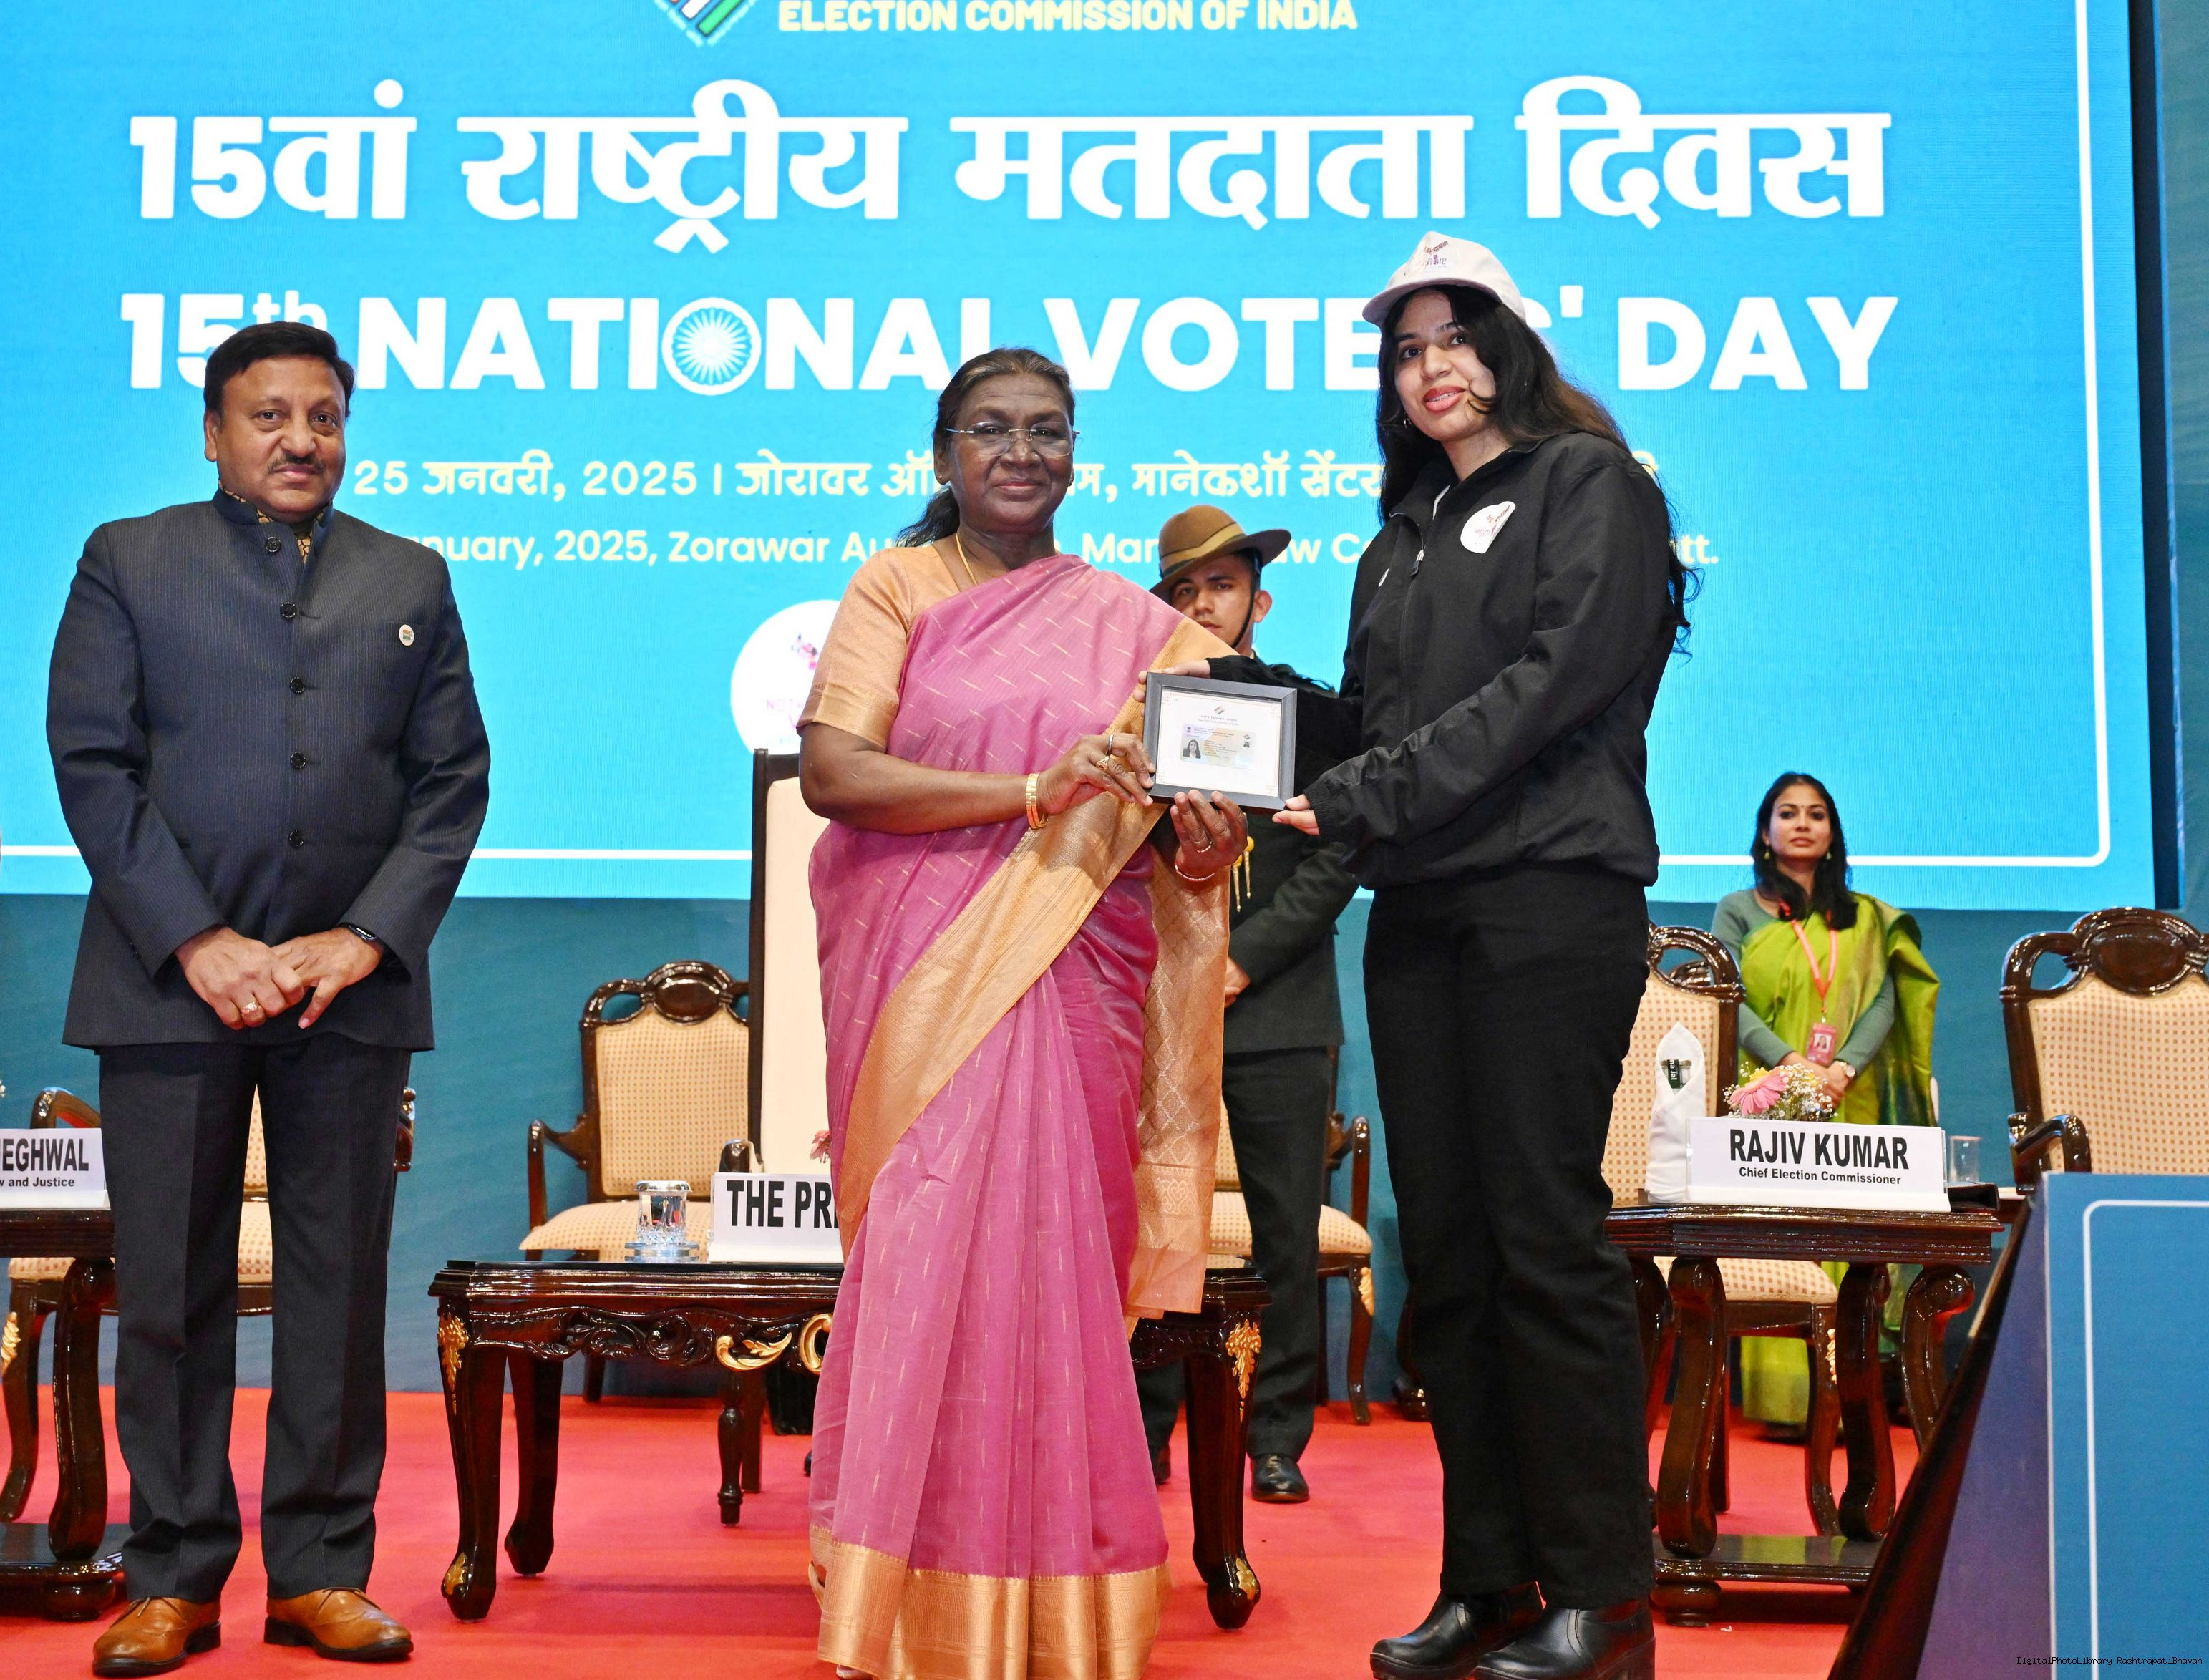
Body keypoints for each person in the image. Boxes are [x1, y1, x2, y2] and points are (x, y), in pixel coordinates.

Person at [1207, 233, 1686, 1680]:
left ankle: (1602, 1598)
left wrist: (1366, 788)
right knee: (1457, 1260)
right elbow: (1370, 724)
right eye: (1407, 349)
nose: (1433, 367)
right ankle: (1489, 1580)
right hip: (1420, 914)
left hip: (1548, 900)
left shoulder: (1592, 486)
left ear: (1512, 346)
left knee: (1544, 1241)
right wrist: (1220, 708)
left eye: (1457, 337)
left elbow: (1548, 689)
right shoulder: (1398, 536)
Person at [795, 347, 1248, 1680]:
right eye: (989, 429)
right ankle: (899, 1600)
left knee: (1057, 1270)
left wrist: (1208, 847)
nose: (1020, 452)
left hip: (1079, 984)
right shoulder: (893, 589)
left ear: (1075, 454)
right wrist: (1032, 791)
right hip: (924, 981)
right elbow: (835, 773)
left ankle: (1060, 1601)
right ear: (942, 455)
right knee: (927, 1255)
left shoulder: (1144, 632)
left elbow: (1187, 845)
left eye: (1047, 430)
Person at [47, 321, 489, 1674]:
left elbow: (451, 783)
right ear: (214, 432)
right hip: (168, 986)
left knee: (337, 1290)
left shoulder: (410, 575)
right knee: (170, 1292)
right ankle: (172, 1574)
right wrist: (198, 939)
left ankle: (320, 1571)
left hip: (345, 995)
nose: (301, 439)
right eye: (269, 415)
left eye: (324, 417)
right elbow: (94, 763)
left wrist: (364, 936)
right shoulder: (130, 558)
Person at [1135, 505, 1358, 1505]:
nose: (1200, 605)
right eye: (1181, 590)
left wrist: (1245, 960)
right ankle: (1143, 1432)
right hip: (1160, 1000)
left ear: (1257, 602)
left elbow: (1338, 854)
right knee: (1156, 1223)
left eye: (1219, 587)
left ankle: (1275, 1437)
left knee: (1284, 1233)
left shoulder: (1306, 713)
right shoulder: (1132, 716)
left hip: (1281, 1004)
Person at [1712, 772, 1938, 1428]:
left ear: (1833, 833)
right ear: (1765, 832)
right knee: (1781, 1233)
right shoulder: (1739, 909)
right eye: (1787, 813)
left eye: (1816, 814)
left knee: (1850, 1237)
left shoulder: (1866, 917)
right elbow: (1728, 996)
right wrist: (1791, 1064)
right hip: (1767, 1093)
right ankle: (1791, 1404)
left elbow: (1886, 1000)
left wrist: (1840, 1069)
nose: (1802, 824)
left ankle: (1855, 1401)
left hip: (1850, 1094)